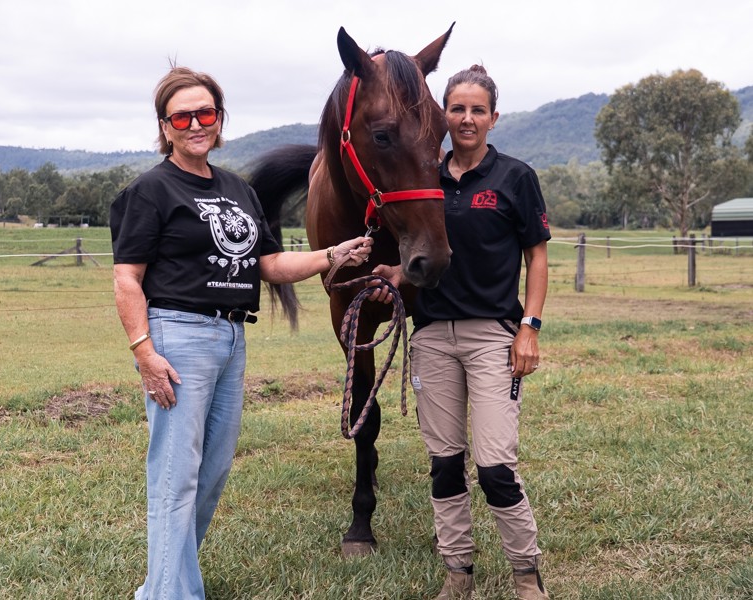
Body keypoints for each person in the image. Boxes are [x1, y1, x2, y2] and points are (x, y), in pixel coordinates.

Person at [110, 66, 372, 600]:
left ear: (219, 119)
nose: (195, 125)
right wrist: (144, 351)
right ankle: (170, 595)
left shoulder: (237, 190)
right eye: (181, 117)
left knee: (211, 475)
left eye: (205, 113)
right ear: (164, 127)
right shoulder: (151, 190)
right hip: (177, 335)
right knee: (175, 475)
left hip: (231, 339)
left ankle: (165, 586)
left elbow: (268, 265)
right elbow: (126, 279)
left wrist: (331, 254)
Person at [369, 64, 551, 600]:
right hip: (432, 337)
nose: (467, 119)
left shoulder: (515, 177)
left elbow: (536, 258)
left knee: (495, 467)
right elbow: (424, 249)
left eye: (477, 110)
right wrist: (397, 276)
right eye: (457, 109)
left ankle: (525, 573)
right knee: (445, 464)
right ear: (441, 117)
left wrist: (529, 328)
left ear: (493, 118)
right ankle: (458, 573)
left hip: (493, 335)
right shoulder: (425, 175)